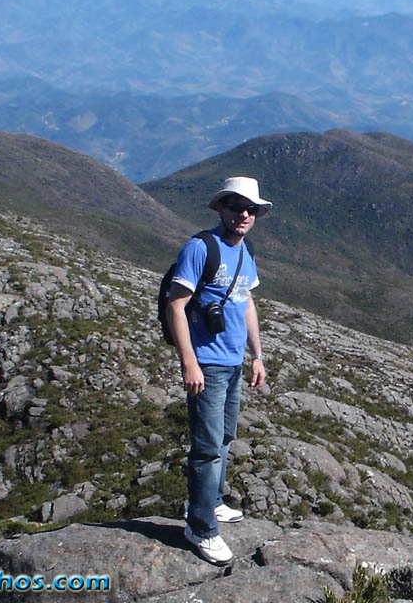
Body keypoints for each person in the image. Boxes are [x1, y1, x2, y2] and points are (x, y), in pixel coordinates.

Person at [166, 176, 270, 565]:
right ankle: (201, 526)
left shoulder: (246, 252)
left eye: (251, 209)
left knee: (225, 437)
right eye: (235, 206)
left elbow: (246, 303)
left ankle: (213, 501)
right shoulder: (200, 248)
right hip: (206, 365)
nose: (243, 214)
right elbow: (176, 306)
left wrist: (256, 355)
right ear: (220, 209)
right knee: (207, 448)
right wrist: (189, 362)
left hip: (233, 363)